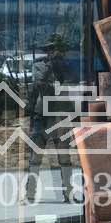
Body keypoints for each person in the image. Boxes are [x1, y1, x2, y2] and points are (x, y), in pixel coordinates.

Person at [23, 35, 75, 204]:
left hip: (61, 115)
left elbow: (72, 81)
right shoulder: (39, 65)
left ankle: (69, 193)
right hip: (43, 115)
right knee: (36, 156)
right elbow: (40, 84)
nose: (53, 52)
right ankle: (30, 194)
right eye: (50, 49)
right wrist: (49, 66)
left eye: (55, 49)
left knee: (64, 156)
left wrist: (60, 65)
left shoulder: (65, 65)